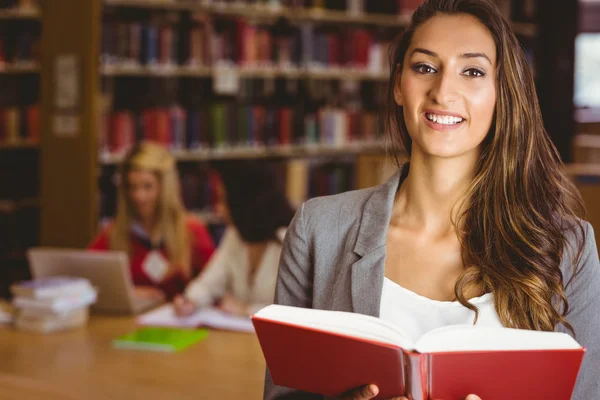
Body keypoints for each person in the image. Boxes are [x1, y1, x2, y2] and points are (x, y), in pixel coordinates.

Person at [264, 0, 600, 399]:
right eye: (424, 67)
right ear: (397, 86)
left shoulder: (568, 247)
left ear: (502, 94)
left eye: (472, 71)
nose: (443, 91)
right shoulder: (318, 229)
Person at [89, 142, 215, 300]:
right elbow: (86, 281)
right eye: (132, 187)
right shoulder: (114, 234)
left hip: (178, 319)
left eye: (147, 187)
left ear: (164, 189)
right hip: (130, 321)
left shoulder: (192, 231)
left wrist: (189, 300)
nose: (139, 196)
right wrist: (129, 294)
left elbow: (216, 287)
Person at [173, 160, 296, 317]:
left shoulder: (291, 241)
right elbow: (210, 281)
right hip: (241, 335)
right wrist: (190, 300)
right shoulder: (235, 236)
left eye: (223, 200)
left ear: (244, 203)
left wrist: (246, 310)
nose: (219, 209)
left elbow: (295, 309)